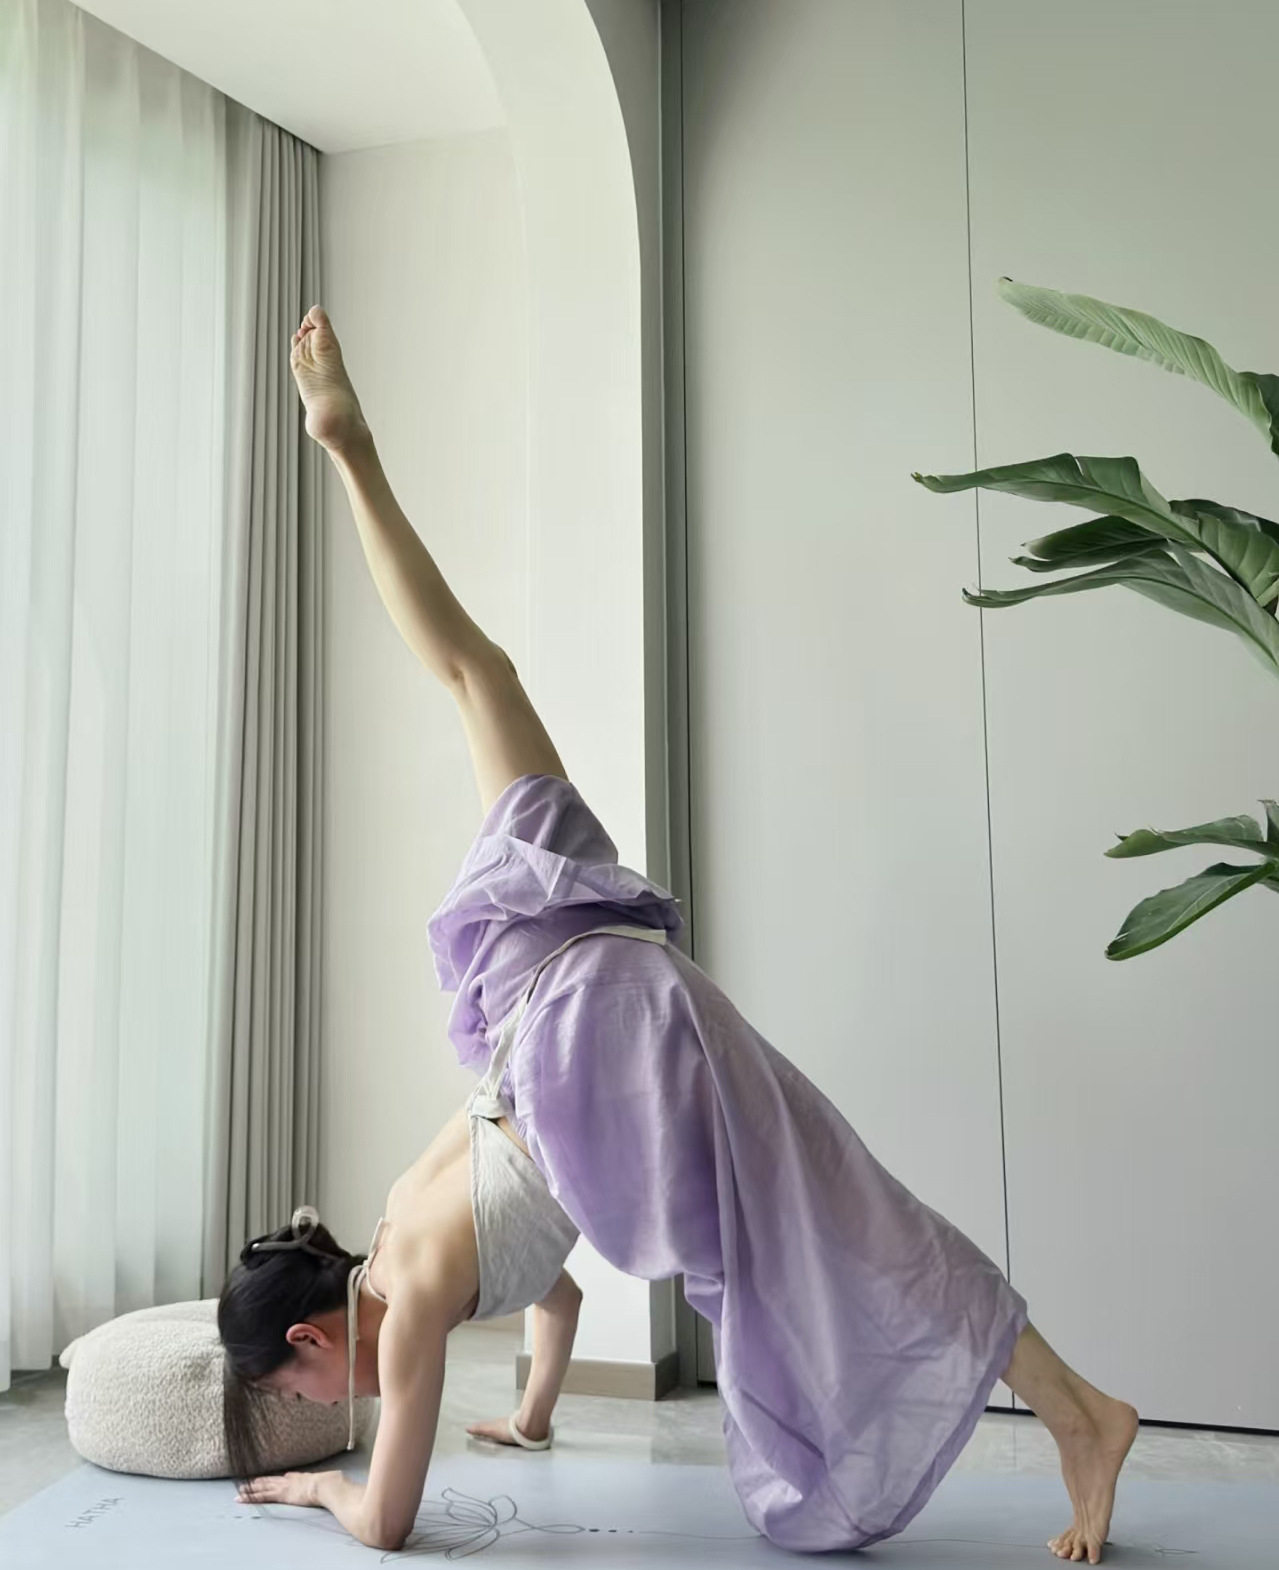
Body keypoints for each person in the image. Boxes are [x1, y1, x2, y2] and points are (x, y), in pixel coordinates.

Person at [217, 307, 1139, 1563]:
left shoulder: (414, 1297)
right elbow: (552, 1286)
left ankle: (1082, 1417)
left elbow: (385, 1522)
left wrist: (308, 1493)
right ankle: (349, 449)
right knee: (479, 677)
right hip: (566, 975)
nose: (319, 1413)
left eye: (300, 1392)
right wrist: (533, 1416)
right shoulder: (396, 1224)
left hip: (601, 1046)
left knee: (853, 1225)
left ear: (314, 1336)